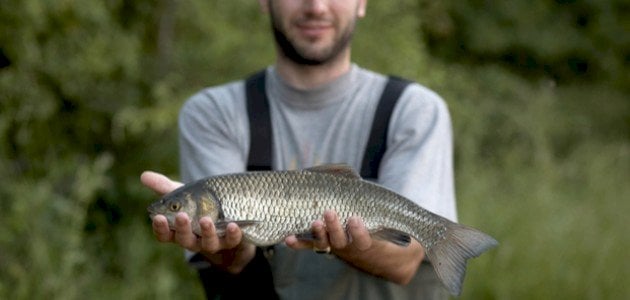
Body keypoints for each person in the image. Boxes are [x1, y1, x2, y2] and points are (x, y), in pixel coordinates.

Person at [141, 0, 457, 299]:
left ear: (362, 2)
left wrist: (341, 240)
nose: (315, 6)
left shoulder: (415, 110)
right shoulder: (212, 112)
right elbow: (233, 259)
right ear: (265, 2)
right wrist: (220, 244)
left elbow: (404, 262)